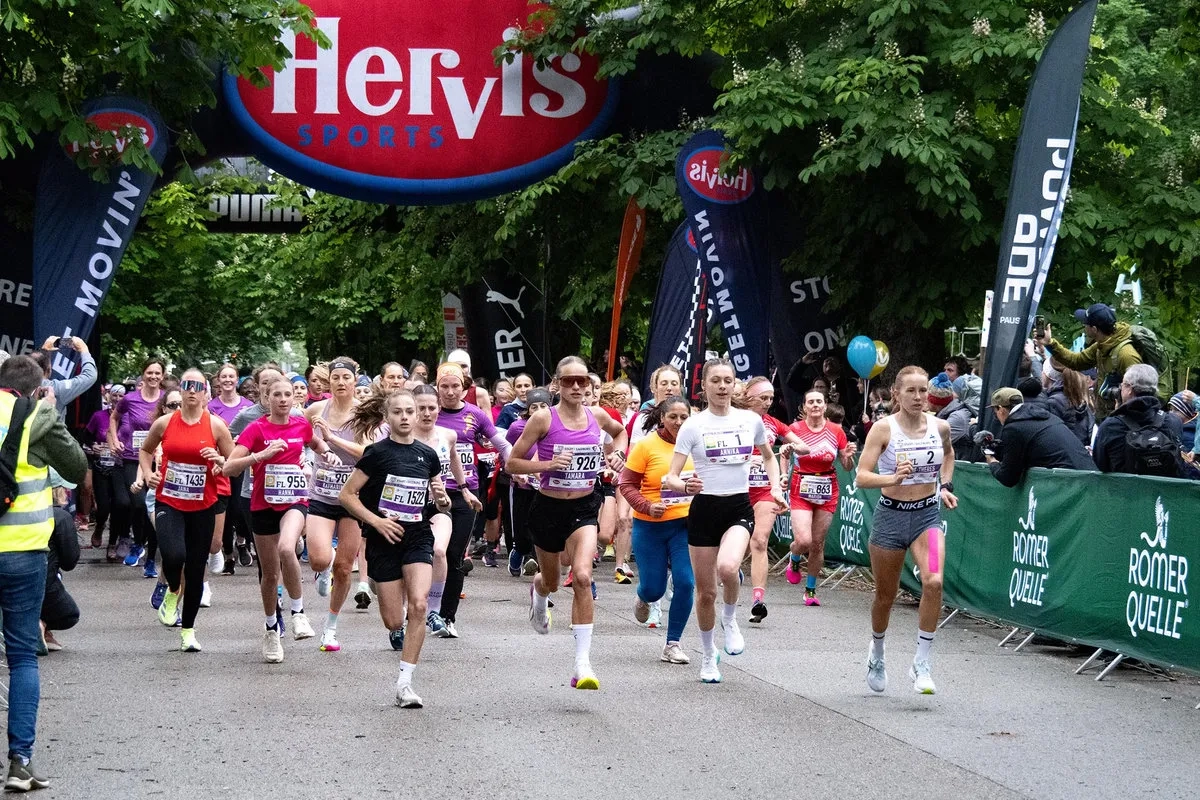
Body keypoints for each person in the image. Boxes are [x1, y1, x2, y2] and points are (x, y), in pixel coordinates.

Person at [508, 356, 628, 690]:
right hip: (547, 508)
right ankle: (539, 593)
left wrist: (618, 453)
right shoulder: (544, 419)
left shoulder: (598, 415)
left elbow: (620, 434)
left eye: (582, 381)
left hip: (584, 507)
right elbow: (513, 464)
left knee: (583, 576)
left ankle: (582, 663)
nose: (576, 386)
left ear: (590, 385)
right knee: (550, 579)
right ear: (557, 385)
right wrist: (546, 465)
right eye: (569, 381)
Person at [664, 358, 783, 683]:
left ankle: (730, 621)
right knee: (705, 593)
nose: (721, 386)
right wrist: (684, 484)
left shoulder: (750, 421)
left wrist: (775, 487)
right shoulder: (693, 426)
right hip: (703, 510)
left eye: (727, 380)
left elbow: (770, 459)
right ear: (703, 386)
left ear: (735, 385)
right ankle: (707, 656)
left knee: (729, 568)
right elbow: (671, 477)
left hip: (737, 508)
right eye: (715, 380)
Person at [0, 354, 87, 791]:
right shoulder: (40, 413)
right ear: (36, 388)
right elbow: (75, 470)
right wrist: (49, 411)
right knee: (20, 657)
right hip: (23, 552)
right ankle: (20, 762)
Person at [339, 389, 451, 708]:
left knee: (418, 606)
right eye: (398, 412)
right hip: (383, 540)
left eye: (409, 412)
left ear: (417, 416)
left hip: (417, 537)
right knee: (393, 621)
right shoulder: (376, 453)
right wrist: (376, 522)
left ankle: (405, 684)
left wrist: (441, 501)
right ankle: (381, 588)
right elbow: (347, 496)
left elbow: (436, 495)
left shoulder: (427, 456)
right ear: (387, 418)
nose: (404, 417)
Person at [223, 377, 341, 663]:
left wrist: (328, 454)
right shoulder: (256, 429)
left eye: (289, 394)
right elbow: (229, 467)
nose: (284, 399)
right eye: (277, 394)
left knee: (287, 548)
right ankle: (271, 628)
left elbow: (316, 443)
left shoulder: (301, 424)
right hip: (262, 504)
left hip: (295, 501)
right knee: (269, 574)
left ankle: (298, 613)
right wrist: (260, 456)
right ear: (266, 397)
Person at [855, 365, 956, 696]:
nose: (918, 397)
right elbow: (862, 476)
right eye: (911, 391)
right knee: (886, 596)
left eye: (923, 390)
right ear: (896, 394)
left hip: (927, 516)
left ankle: (921, 662)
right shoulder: (883, 430)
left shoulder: (940, 427)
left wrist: (944, 485)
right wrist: (892, 479)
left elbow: (949, 455)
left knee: (935, 581)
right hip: (891, 517)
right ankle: (878, 652)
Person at [135, 369, 235, 651]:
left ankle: (188, 630)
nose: (192, 391)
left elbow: (234, 460)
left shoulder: (216, 426)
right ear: (181, 389)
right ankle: (172, 591)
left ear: (206, 392)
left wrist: (219, 460)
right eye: (187, 385)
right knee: (174, 553)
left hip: (203, 505)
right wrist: (147, 472)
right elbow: (145, 451)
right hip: (169, 499)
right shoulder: (165, 423)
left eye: (197, 386)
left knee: (195, 568)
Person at [433, 362, 510, 638]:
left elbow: (501, 444)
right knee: (428, 552)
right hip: (430, 492)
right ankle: (422, 609)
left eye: (456, 386)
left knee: (454, 554)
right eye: (445, 386)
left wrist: (517, 465)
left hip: (465, 491)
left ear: (465, 388)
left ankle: (447, 616)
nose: (451, 392)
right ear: (437, 388)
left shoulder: (474, 414)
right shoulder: (430, 414)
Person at [617, 396, 696, 664]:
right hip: (650, 526)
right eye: (673, 416)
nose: (678, 422)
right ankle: (643, 597)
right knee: (654, 590)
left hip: (684, 526)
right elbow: (626, 484)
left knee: (686, 582)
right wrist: (647, 506)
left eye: (684, 417)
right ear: (662, 418)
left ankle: (672, 644)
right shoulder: (646, 446)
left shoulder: (697, 445)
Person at [303, 358, 369, 653]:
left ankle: (330, 628)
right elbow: (296, 434)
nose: (341, 382)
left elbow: (367, 452)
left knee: (344, 567)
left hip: (352, 498)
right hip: (321, 494)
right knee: (319, 558)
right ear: (328, 382)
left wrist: (331, 438)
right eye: (335, 378)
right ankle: (321, 570)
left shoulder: (364, 413)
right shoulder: (316, 410)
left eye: (346, 377)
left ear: (355, 380)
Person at [733, 376, 810, 623]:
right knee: (733, 541)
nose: (767, 403)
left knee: (760, 539)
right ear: (748, 397)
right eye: (762, 398)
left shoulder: (772, 423)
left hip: (765, 489)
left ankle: (758, 600)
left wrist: (791, 448)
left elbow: (804, 446)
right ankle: (733, 573)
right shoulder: (734, 419)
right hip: (735, 488)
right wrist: (747, 460)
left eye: (770, 398)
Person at [410, 384, 480, 638]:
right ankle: (410, 610)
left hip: (444, 502)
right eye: (421, 409)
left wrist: (464, 489)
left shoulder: (448, 435)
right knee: (410, 558)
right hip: (410, 505)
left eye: (431, 408)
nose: (427, 413)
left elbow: (454, 459)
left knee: (445, 553)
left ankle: (440, 613)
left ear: (438, 408)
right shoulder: (403, 436)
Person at [782, 389, 856, 607]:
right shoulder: (794, 429)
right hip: (801, 486)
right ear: (804, 407)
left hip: (827, 488)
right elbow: (784, 454)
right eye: (811, 402)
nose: (815, 405)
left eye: (819, 402)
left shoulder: (836, 431)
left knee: (817, 543)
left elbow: (846, 465)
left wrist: (849, 457)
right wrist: (783, 476)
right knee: (803, 541)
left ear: (825, 406)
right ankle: (794, 557)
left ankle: (810, 590)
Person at [108, 358, 166, 577]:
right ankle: (138, 543)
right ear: (143, 375)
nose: (153, 377)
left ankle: (151, 558)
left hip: (160, 459)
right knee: (139, 503)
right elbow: (114, 418)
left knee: (156, 508)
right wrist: (114, 440)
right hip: (134, 456)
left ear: (162, 376)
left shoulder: (166, 399)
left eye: (157, 373)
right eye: (149, 372)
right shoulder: (130, 399)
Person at [1039, 304, 1142, 419]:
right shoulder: (1102, 345)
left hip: (1123, 419)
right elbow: (1076, 361)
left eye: (1085, 324)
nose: (1083, 326)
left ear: (1094, 329)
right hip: (1106, 415)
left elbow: (1139, 393)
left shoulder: (1126, 354)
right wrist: (1050, 343)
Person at [984, 387, 1096, 486]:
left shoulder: (1014, 428)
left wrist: (992, 461)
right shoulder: (1048, 416)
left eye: (995, 412)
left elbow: (1008, 478)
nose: (996, 417)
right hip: (1090, 475)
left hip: (1069, 483)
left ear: (1001, 409)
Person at [1092, 364, 1184, 478]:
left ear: (1129, 389)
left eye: (1122, 385)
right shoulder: (1173, 422)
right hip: (1165, 494)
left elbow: (1099, 466)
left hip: (1123, 494)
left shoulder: (1110, 426)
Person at [207, 365, 253, 574]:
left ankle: (242, 541)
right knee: (224, 510)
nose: (227, 380)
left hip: (244, 463)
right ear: (219, 380)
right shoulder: (210, 406)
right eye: (223, 376)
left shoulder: (247, 406)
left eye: (231, 376)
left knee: (239, 510)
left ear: (237, 380)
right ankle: (227, 554)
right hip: (220, 463)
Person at [40, 508, 80, 653]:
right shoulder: (59, 516)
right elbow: (69, 562)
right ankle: (36, 624)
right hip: (36, 580)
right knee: (69, 614)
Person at [33, 336, 98, 420]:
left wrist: (44, 351)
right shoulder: (53, 389)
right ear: (49, 370)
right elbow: (90, 376)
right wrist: (84, 350)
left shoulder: (16, 380)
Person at [1041, 361, 1095, 447]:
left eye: (1042, 371)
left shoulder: (1054, 402)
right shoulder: (1078, 395)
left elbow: (1055, 436)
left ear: (1048, 375)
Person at [927, 373, 973, 460]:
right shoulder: (946, 413)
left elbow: (931, 445)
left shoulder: (957, 418)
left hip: (965, 471)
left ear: (933, 401)